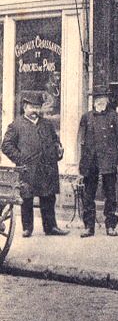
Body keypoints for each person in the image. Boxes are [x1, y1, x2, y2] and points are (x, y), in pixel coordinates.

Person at [2, 92, 67, 237]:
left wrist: (58, 150)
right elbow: (6, 146)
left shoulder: (47, 124)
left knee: (48, 197)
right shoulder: (16, 125)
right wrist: (20, 159)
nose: (35, 111)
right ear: (25, 107)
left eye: (37, 107)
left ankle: (51, 227)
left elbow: (56, 141)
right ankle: (27, 228)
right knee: (27, 198)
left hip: (47, 168)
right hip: (28, 168)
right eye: (32, 107)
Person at [77, 86, 118, 237]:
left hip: (109, 162)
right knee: (88, 196)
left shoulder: (115, 117)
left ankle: (110, 226)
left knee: (111, 195)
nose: (100, 101)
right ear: (93, 101)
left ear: (107, 99)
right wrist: (81, 167)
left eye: (103, 98)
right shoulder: (86, 117)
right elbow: (81, 143)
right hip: (90, 162)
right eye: (97, 98)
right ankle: (89, 227)